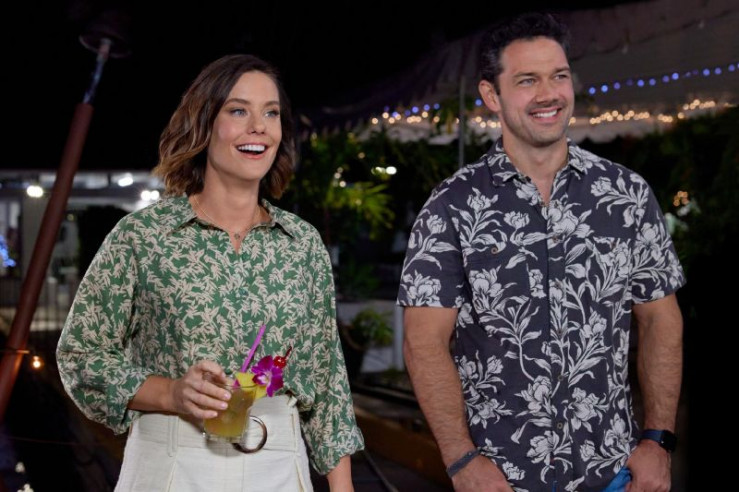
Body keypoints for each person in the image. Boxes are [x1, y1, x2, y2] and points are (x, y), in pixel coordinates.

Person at [398, 13, 684, 492]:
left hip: (614, 474)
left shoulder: (626, 195)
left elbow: (661, 320)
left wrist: (658, 439)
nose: (549, 94)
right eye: (527, 80)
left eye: (559, 76)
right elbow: (423, 343)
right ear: (492, 95)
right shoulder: (452, 205)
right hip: (501, 480)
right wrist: (461, 460)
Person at [57, 54, 364, 491]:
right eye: (238, 111)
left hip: (280, 466)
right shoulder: (144, 236)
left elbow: (327, 377)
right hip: (172, 464)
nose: (258, 127)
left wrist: (342, 486)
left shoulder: (302, 244)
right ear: (204, 124)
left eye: (271, 113)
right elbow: (80, 355)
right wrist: (170, 393)